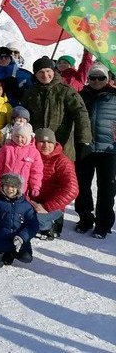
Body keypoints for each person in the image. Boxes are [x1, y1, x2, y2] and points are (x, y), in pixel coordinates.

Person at [22, 56, 92, 160]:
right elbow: (24, 116)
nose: (45, 75)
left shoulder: (66, 91)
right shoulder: (30, 93)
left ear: (54, 71)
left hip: (62, 146)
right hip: (37, 146)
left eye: (48, 71)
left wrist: (84, 140)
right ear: (35, 74)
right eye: (40, 72)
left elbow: (80, 114)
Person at [75, 63, 116, 238]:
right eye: (92, 77)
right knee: (82, 186)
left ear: (107, 78)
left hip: (109, 149)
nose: (96, 81)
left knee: (106, 189)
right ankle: (85, 218)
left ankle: (103, 224)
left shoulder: (115, 96)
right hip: (85, 147)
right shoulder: (81, 95)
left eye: (101, 77)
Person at [33, 128, 78, 240]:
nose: (46, 145)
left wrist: (47, 207)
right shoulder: (31, 157)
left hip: (52, 206)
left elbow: (72, 189)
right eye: (42, 141)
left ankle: (51, 225)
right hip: (33, 202)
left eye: (50, 142)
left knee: (32, 220)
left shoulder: (62, 161)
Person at [0, 123, 43, 197]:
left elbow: (36, 172)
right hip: (4, 187)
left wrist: (35, 187)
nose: (19, 139)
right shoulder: (6, 149)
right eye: (17, 136)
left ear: (29, 137)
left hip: (21, 190)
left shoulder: (34, 153)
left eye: (23, 137)